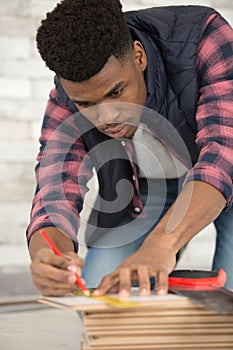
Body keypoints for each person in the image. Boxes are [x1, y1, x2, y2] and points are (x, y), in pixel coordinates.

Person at [27, 0, 233, 297]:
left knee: (226, 314)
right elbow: (53, 194)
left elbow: (222, 161)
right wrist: (50, 258)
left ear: (138, 56)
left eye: (116, 92)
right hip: (148, 186)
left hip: (223, 169)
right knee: (101, 302)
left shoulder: (202, 38)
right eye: (87, 104)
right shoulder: (66, 96)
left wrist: (161, 245)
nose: (108, 117)